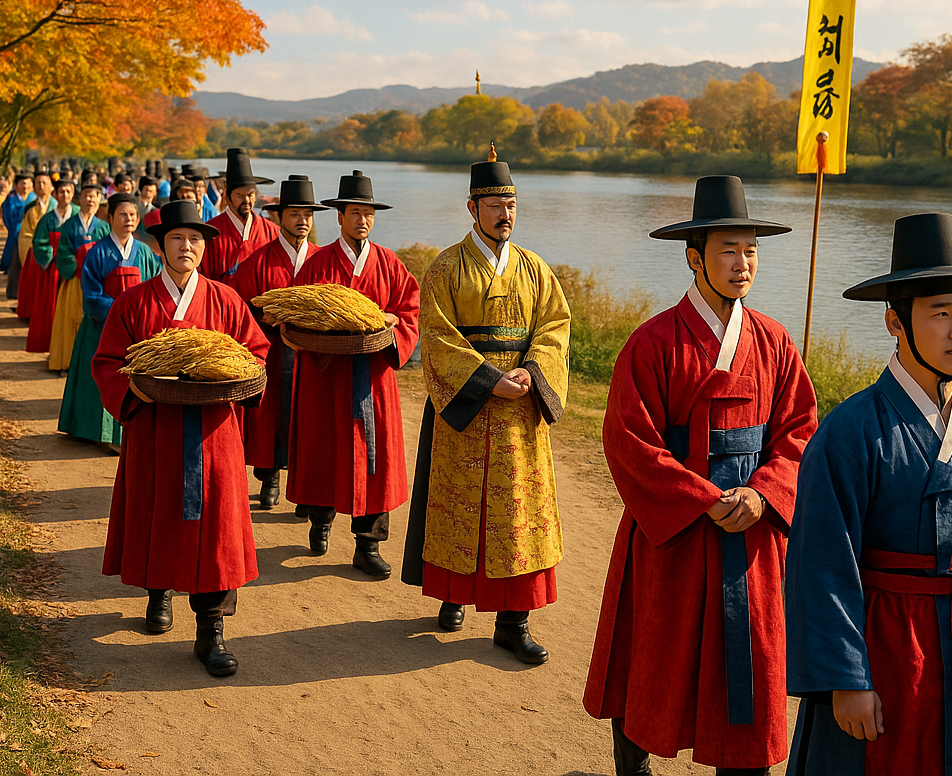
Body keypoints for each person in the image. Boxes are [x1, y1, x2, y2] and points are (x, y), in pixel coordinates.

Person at [582, 174, 817, 776]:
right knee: (656, 657)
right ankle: (632, 765)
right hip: (678, 530)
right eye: (728, 251)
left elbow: (799, 432)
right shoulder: (652, 342)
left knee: (750, 664)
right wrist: (703, 498)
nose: (743, 264)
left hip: (752, 528)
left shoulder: (776, 342)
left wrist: (764, 494)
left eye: (751, 250)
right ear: (694, 257)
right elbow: (629, 440)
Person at [785, 212, 952, 776]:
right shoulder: (849, 433)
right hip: (884, 649)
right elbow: (821, 567)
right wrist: (844, 681)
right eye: (940, 313)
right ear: (894, 321)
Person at [401, 149, 571, 665]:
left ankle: (513, 622)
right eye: (495, 204)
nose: (505, 214)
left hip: (521, 406)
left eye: (512, 204)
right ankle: (453, 593)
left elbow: (555, 327)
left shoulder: (534, 268)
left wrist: (531, 371)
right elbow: (436, 335)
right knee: (459, 503)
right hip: (470, 408)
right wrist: (487, 380)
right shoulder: (445, 268)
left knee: (518, 512)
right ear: (471, 207)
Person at [92, 199, 270, 677]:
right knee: (160, 512)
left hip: (215, 436)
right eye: (176, 238)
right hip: (157, 432)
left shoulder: (227, 300)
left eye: (194, 239)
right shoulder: (134, 303)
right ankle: (158, 592)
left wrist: (240, 378)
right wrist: (136, 389)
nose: (186, 246)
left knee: (217, 529)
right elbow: (107, 363)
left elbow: (257, 356)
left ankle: (211, 629)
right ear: (161, 245)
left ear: (204, 246)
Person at [286, 171, 419, 578]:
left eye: (368, 214)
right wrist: (326, 336)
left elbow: (410, 310)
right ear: (339, 216)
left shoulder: (389, 263)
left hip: (374, 376)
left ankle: (368, 543)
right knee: (326, 449)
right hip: (327, 377)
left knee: (377, 459)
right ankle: (320, 521)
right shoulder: (317, 264)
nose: (362, 220)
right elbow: (293, 316)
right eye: (355, 212)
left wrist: (392, 324)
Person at [230, 175, 325, 509]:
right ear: (279, 216)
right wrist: (265, 320)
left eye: (307, 215)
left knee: (310, 420)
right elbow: (241, 309)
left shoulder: (321, 258)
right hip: (272, 351)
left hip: (313, 357)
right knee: (270, 416)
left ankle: (306, 488)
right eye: (295, 214)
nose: (302, 221)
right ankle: (268, 477)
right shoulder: (258, 261)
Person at [59, 194, 160, 449]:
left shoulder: (145, 252)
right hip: (101, 328)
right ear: (111, 217)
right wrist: (119, 313)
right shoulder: (97, 252)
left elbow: (154, 288)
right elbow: (92, 295)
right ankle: (90, 430)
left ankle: (123, 433)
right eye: (123, 214)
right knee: (99, 379)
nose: (129, 219)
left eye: (134, 215)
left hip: (136, 329)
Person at [49, 182, 108, 373]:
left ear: (100, 199)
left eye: (94, 196)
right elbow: (63, 253)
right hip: (75, 280)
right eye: (86, 196)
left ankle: (93, 362)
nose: (90, 199)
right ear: (79, 199)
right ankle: (67, 361)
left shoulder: (104, 227)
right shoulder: (69, 226)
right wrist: (79, 266)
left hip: (98, 282)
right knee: (70, 320)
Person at [200, 148, 277, 283]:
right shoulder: (210, 231)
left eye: (250, 195)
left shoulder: (272, 231)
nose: (247, 200)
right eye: (240, 196)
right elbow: (203, 277)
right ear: (227, 198)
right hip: (222, 301)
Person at [26, 178, 79, 354]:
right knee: (52, 307)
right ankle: (51, 345)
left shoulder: (78, 215)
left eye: (69, 191)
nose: (65, 195)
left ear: (73, 194)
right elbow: (39, 242)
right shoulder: (47, 219)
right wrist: (52, 254)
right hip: (53, 269)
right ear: (55, 194)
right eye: (61, 192)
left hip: (74, 267)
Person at [16, 171, 54, 320]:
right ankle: (31, 313)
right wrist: (35, 248)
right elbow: (25, 233)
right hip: (35, 251)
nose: (41, 185)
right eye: (38, 183)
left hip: (55, 251)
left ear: (51, 187)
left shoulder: (58, 207)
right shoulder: (30, 207)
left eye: (44, 182)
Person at [1, 172, 34, 296]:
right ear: (16, 185)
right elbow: (7, 218)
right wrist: (16, 230)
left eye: (27, 183)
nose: (25, 186)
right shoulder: (11, 202)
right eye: (22, 183)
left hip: (32, 237)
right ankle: (14, 291)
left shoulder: (35, 200)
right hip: (16, 235)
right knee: (15, 264)